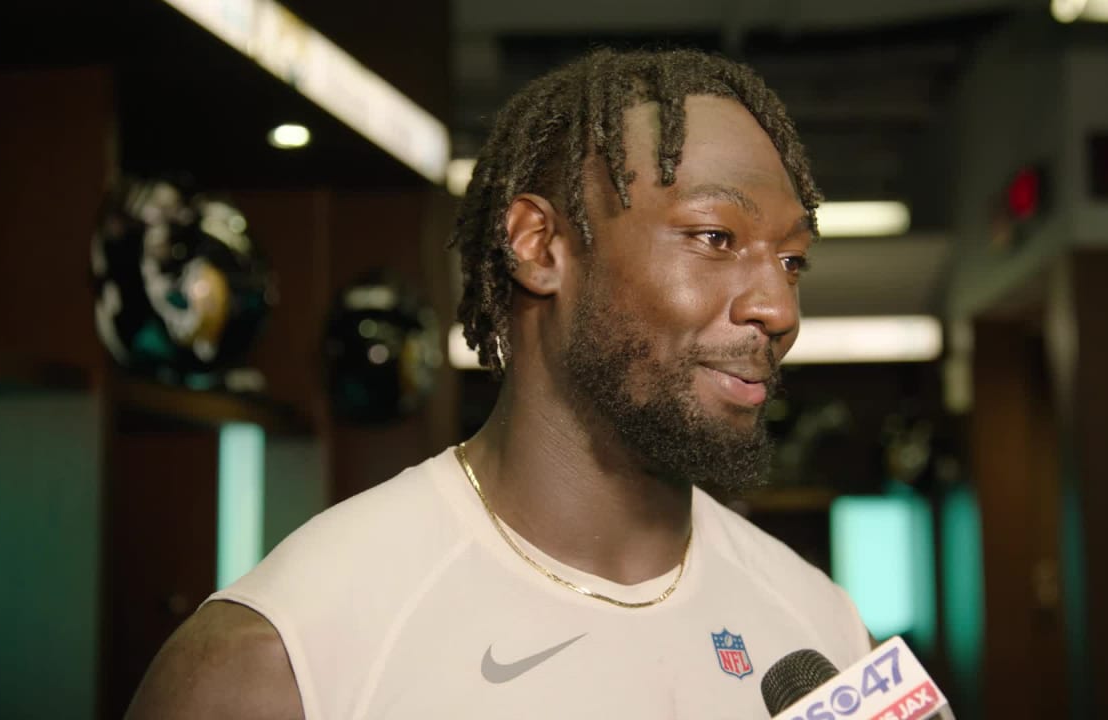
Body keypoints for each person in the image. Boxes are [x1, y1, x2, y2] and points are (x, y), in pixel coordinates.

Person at [126, 47, 870, 719]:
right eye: (716, 238)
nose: (778, 308)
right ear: (539, 245)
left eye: (792, 260)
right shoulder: (278, 658)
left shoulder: (820, 628)